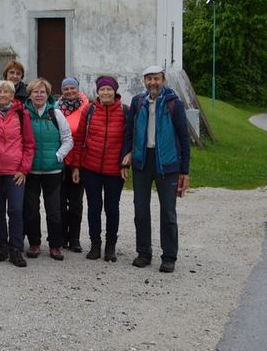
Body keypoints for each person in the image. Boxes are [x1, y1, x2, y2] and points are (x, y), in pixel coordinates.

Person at [124, 65, 191, 273]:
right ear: (144, 81)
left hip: (167, 163)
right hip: (142, 161)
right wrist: (126, 156)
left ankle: (169, 257)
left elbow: (184, 137)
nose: (152, 82)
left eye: (156, 78)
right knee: (140, 210)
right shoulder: (138, 102)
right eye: (149, 79)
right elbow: (129, 132)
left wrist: (185, 171)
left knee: (168, 212)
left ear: (163, 80)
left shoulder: (174, 103)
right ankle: (144, 253)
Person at [74, 75, 128, 263]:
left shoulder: (125, 111)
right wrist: (76, 167)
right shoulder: (89, 110)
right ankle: (95, 245)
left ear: (115, 91)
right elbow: (79, 139)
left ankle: (110, 246)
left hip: (115, 170)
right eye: (102, 89)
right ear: (97, 91)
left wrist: (126, 163)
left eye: (109, 89)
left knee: (112, 208)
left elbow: (130, 139)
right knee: (94, 208)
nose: (105, 92)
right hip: (91, 168)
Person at [0, 80, 35, 267]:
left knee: (16, 210)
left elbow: (29, 144)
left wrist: (24, 169)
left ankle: (16, 249)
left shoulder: (21, 113)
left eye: (7, 92)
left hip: (15, 171)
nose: (3, 95)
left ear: (13, 95)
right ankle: (2, 246)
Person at [23, 77, 72, 260]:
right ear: (30, 95)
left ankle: (55, 245)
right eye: (35, 92)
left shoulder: (56, 114)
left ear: (48, 94)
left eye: (42, 92)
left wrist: (57, 156)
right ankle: (34, 243)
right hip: (31, 171)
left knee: (54, 209)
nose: (39, 95)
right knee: (31, 209)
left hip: (52, 171)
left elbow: (68, 139)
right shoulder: (24, 114)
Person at [58, 76, 90, 253]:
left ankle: (75, 238)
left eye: (72, 88)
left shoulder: (86, 108)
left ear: (78, 89)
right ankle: (62, 236)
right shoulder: (56, 108)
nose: (69, 91)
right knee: (60, 201)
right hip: (60, 160)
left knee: (76, 202)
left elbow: (83, 138)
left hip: (79, 161)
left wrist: (77, 164)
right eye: (66, 89)